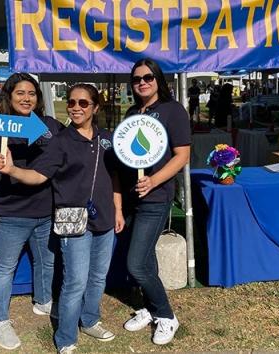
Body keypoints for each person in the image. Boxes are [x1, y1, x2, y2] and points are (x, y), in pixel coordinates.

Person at [0, 83, 125, 354]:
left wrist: (119, 209)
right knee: (75, 281)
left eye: (83, 103)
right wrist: (12, 170)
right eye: (72, 103)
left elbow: (113, 177)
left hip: (105, 220)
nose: (76, 108)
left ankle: (90, 320)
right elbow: (38, 176)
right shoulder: (61, 141)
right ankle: (66, 338)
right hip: (74, 222)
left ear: (95, 108)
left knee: (98, 277)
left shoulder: (107, 139)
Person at [0, 74, 63, 351]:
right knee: (4, 268)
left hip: (44, 211)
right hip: (7, 213)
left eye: (31, 93)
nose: (26, 98)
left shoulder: (47, 125)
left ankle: (44, 302)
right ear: (9, 96)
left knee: (46, 261)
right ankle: (0, 323)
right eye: (20, 93)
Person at [120, 58, 191, 346]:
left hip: (156, 197)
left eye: (148, 77)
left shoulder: (172, 111)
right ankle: (150, 309)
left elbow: (182, 155)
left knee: (135, 264)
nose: (142, 83)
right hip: (132, 196)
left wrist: (154, 180)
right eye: (137, 79)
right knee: (145, 259)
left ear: (158, 79)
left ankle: (166, 316)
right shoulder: (132, 112)